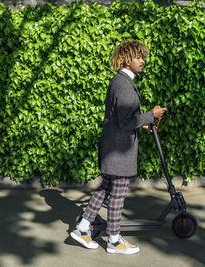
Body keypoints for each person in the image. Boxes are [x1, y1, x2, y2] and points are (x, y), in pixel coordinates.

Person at [70, 40, 167, 254]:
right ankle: (114, 241)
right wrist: (151, 115)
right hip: (118, 150)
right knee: (118, 193)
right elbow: (125, 122)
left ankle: (83, 228)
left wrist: (144, 122)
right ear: (126, 59)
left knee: (106, 188)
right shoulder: (123, 84)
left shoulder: (121, 82)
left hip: (113, 146)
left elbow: (125, 119)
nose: (143, 60)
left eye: (143, 57)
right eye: (138, 57)